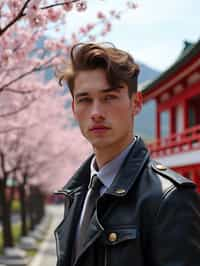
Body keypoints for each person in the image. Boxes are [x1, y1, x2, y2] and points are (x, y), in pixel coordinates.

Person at [55, 42, 200, 266]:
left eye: (109, 97)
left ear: (136, 103)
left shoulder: (168, 198)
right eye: (85, 100)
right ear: (74, 108)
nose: (96, 113)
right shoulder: (76, 192)